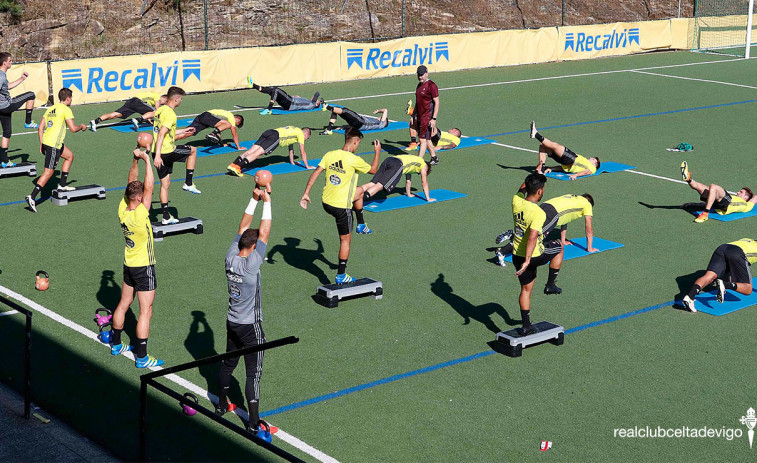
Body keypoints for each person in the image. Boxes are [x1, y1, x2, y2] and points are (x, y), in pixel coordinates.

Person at [215, 185, 272, 435]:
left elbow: (242, 229)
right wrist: (267, 201)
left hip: (232, 321)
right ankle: (253, 422)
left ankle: (220, 405)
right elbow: (265, 233)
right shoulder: (251, 265)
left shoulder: (231, 257)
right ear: (252, 247)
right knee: (253, 374)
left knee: (228, 364)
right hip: (250, 326)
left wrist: (252, 200)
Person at [300, 128, 381, 283]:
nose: (358, 147)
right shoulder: (354, 160)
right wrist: (377, 151)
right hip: (341, 207)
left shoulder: (330, 154)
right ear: (355, 141)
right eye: (358, 144)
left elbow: (315, 173)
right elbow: (373, 170)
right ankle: (341, 275)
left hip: (326, 202)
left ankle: (361, 224)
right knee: (345, 241)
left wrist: (306, 194)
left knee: (359, 192)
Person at [110, 146, 164, 368]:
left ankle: (116, 344)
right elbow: (150, 185)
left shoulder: (123, 209)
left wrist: (134, 161)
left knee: (124, 303)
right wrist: (147, 161)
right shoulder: (142, 213)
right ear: (140, 197)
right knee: (146, 310)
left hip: (128, 264)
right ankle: (142, 357)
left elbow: (131, 184)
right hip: (144, 266)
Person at [511, 173, 564, 335]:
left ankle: (526, 326)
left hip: (516, 255)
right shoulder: (538, 212)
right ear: (540, 191)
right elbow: (533, 237)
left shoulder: (516, 200)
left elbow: (521, 188)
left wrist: (536, 173)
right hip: (534, 255)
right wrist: (528, 260)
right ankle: (550, 284)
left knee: (526, 290)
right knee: (560, 246)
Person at [25, 88, 87, 213]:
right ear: (68, 99)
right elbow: (73, 129)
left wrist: (41, 143)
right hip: (54, 145)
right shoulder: (66, 109)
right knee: (49, 172)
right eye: (71, 98)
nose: (71, 100)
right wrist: (82, 126)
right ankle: (32, 197)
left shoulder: (50, 109)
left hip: (48, 142)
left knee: (69, 156)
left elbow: (40, 127)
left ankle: (62, 185)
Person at [494, 193, 597, 266]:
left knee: (533, 230)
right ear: (589, 202)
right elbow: (589, 228)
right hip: (553, 214)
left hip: (545, 205)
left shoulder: (572, 198)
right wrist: (589, 248)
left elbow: (565, 220)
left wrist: (563, 240)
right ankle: (504, 249)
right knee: (535, 237)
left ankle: (511, 237)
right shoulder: (587, 204)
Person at [151, 86, 201, 225]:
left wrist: (184, 131)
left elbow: (166, 132)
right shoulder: (171, 114)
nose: (181, 101)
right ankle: (188, 183)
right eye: (181, 99)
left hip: (157, 151)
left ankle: (166, 216)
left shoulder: (160, 110)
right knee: (193, 150)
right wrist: (159, 156)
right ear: (176, 99)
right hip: (166, 152)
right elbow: (161, 134)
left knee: (165, 184)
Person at [681, 238, 757, 313]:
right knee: (747, 289)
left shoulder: (748, 240)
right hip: (738, 253)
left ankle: (690, 297)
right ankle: (724, 284)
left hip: (722, 248)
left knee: (709, 276)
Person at [680, 161, 757, 223]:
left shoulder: (747, 205)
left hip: (728, 203)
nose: (737, 192)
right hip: (718, 205)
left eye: (741, 192)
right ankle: (688, 179)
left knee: (713, 187)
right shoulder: (738, 199)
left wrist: (752, 198)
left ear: (746, 197)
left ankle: (705, 214)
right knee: (703, 188)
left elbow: (755, 197)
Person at [0, 52, 38, 168]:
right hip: (7, 106)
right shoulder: (1, 76)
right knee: (31, 95)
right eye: (10, 60)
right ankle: (28, 122)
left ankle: (5, 161)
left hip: (1, 109)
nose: (11, 62)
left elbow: (8, 86)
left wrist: (22, 78)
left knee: (7, 133)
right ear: (4, 62)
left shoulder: (2, 75)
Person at [226, 126, 312, 176]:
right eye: (306, 138)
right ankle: (238, 167)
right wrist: (307, 166)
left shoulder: (295, 130)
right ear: (306, 134)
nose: (305, 140)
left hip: (269, 132)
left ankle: (233, 165)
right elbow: (302, 151)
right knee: (257, 153)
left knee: (251, 151)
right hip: (275, 137)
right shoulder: (300, 134)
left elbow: (291, 148)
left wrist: (292, 161)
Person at [530, 121, 600, 180]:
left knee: (556, 146)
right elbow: (562, 168)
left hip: (572, 158)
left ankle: (536, 134)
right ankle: (542, 167)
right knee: (542, 146)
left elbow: (586, 172)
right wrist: (551, 168)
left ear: (594, 164)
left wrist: (576, 175)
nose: (591, 158)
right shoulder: (583, 165)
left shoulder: (592, 168)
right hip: (566, 161)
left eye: (593, 159)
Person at [360, 154, 436, 205]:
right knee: (380, 185)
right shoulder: (424, 166)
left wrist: (409, 194)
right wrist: (428, 198)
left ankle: (355, 193)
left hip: (389, 159)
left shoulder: (415, 161)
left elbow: (408, 181)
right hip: (397, 164)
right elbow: (424, 182)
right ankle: (360, 199)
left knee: (373, 183)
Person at [90, 91, 167, 132]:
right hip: (138, 101)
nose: (163, 104)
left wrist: (150, 121)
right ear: (164, 99)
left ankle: (95, 121)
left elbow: (147, 113)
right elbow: (157, 109)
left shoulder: (149, 100)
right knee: (156, 111)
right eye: (164, 103)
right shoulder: (157, 97)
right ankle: (137, 120)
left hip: (131, 102)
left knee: (115, 114)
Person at [176, 109, 244, 149]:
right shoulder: (231, 117)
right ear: (237, 120)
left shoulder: (221, 122)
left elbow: (218, 132)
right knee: (228, 125)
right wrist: (238, 147)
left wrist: (222, 144)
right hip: (207, 116)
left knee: (187, 133)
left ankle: (168, 140)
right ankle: (212, 134)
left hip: (202, 117)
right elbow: (234, 133)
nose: (234, 125)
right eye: (236, 124)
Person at [247, 77, 322, 114]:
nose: (314, 98)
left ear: (316, 103)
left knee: (276, 90)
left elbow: (317, 93)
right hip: (289, 103)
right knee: (272, 91)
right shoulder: (309, 103)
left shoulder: (312, 104)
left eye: (317, 101)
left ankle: (269, 109)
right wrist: (297, 97)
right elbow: (300, 101)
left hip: (290, 102)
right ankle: (253, 85)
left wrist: (322, 103)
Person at [413, 65, 440, 165]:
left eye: (422, 75)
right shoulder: (419, 85)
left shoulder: (431, 86)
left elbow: (437, 102)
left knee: (422, 140)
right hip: (420, 116)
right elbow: (418, 102)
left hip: (427, 117)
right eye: (418, 75)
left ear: (427, 73)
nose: (420, 77)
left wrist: (434, 118)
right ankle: (434, 157)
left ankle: (418, 161)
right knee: (427, 139)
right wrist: (414, 115)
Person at [320, 105, 388, 135]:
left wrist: (378, 110)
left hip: (361, 122)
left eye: (381, 117)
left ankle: (327, 107)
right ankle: (329, 129)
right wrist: (344, 127)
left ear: (384, 121)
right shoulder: (377, 124)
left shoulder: (381, 124)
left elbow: (385, 110)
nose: (379, 117)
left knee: (346, 111)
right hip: (357, 125)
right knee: (337, 109)